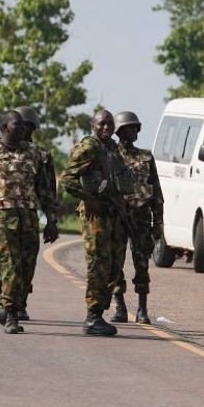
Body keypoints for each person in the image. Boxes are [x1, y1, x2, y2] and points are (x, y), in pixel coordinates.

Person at [0, 109, 58, 334]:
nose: (22, 129)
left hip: (29, 218)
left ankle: (8, 306)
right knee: (10, 266)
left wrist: (52, 220)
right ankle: (10, 315)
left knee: (26, 268)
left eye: (23, 125)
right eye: (16, 125)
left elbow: (46, 191)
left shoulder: (35, 153)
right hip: (2, 219)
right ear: (3, 128)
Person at [60, 109, 125, 337]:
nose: (106, 128)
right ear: (93, 125)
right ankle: (92, 316)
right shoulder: (89, 147)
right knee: (98, 265)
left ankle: (99, 313)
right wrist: (90, 199)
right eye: (101, 124)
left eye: (109, 124)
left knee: (113, 267)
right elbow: (67, 178)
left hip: (113, 215)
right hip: (96, 218)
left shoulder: (112, 148)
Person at [110, 110, 164, 324]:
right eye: (129, 128)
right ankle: (120, 306)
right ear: (120, 131)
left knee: (141, 263)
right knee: (116, 262)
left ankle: (142, 309)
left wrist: (158, 221)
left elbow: (156, 191)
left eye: (135, 127)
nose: (134, 131)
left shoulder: (146, 156)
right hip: (118, 215)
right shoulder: (111, 155)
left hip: (141, 216)